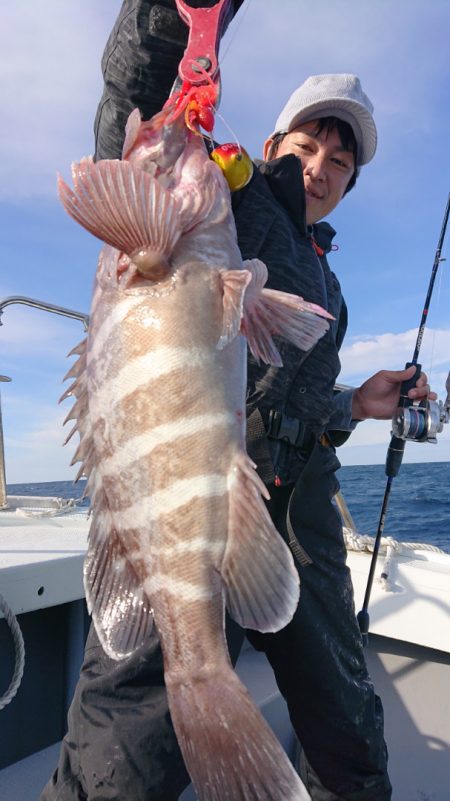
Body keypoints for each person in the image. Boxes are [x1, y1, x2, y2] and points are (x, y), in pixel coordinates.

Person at [40, 2, 436, 800]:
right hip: (189, 483)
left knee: (346, 721)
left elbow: (295, 395)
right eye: (309, 143)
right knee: (124, 736)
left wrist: (356, 402)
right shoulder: (233, 200)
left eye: (340, 160)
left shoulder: (329, 283)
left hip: (298, 503)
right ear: (270, 146)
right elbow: (132, 102)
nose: (322, 165)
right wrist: (167, 19)